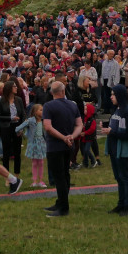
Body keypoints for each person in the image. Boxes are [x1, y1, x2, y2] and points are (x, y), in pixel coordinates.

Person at [40, 80, 82, 216]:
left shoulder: (48, 106)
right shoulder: (72, 105)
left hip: (55, 145)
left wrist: (64, 138)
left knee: (59, 177)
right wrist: (71, 137)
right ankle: (61, 202)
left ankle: (63, 207)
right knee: (65, 174)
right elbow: (79, 125)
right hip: (69, 145)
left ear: (52, 92)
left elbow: (47, 127)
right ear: (63, 91)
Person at [105, 85, 128, 215]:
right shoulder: (116, 110)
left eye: (113, 94)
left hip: (123, 148)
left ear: (120, 95)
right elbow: (115, 127)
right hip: (113, 148)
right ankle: (121, 204)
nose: (111, 96)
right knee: (118, 177)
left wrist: (112, 132)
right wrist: (107, 127)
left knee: (125, 177)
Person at [15, 103, 47, 188]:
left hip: (41, 142)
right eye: (41, 110)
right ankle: (34, 181)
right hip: (33, 143)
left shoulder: (44, 120)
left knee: (41, 162)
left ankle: (40, 181)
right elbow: (19, 127)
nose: (43, 111)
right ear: (35, 112)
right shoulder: (30, 120)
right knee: (34, 163)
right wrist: (20, 132)